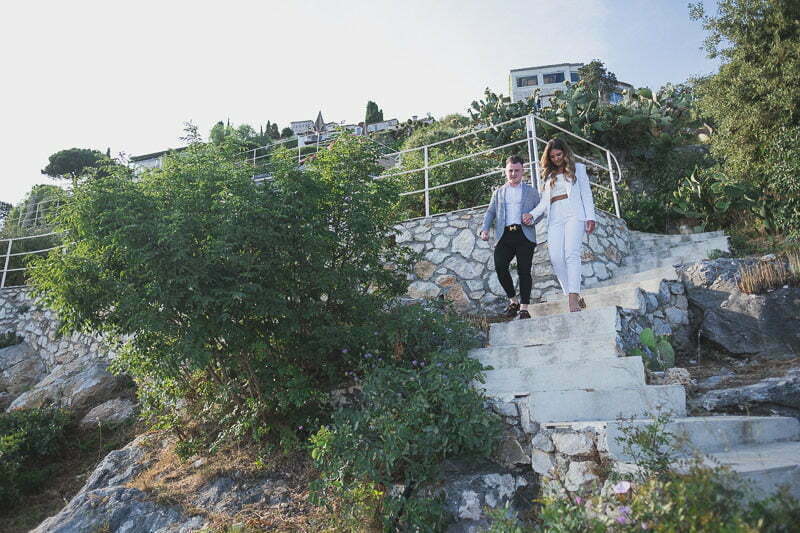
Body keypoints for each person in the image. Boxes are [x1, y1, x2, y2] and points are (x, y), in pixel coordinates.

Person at [526, 138, 596, 313]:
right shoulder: (548, 175)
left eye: (559, 154)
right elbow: (544, 202)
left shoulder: (578, 169)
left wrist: (591, 217)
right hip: (555, 216)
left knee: (571, 254)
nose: (556, 158)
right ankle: (572, 294)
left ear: (565, 153)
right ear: (548, 158)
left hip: (574, 214)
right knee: (556, 258)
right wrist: (532, 214)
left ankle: (572, 299)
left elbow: (586, 194)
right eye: (553, 156)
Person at [480, 155, 541, 319]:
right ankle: (513, 301)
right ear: (505, 172)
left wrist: (532, 217)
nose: (513, 173)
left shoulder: (532, 192)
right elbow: (490, 212)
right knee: (500, 266)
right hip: (504, 235)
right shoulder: (498, 193)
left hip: (524, 235)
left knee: (524, 271)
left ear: (523, 171)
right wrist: (485, 229)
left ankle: (524, 308)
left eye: (517, 170)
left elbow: (540, 211)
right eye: (510, 171)